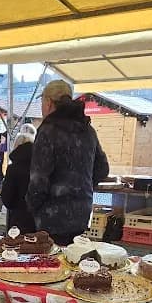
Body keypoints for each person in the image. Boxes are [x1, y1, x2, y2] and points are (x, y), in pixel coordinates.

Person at [26, 80, 109, 245]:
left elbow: (38, 179)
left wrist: (33, 207)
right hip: (82, 213)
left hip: (51, 215)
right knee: (72, 260)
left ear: (48, 103)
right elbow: (103, 169)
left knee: (51, 263)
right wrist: (81, 188)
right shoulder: (87, 130)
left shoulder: (48, 131)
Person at [0, 126, 36, 233]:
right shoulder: (42, 166)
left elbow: (7, 199)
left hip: (19, 222)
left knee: (16, 248)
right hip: (41, 221)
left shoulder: (13, 169)